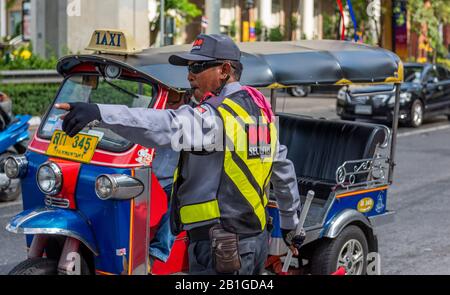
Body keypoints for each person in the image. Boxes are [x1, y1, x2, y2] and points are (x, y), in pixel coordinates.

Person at [56, 34, 303, 275]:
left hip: (221, 247)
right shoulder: (259, 110)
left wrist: (101, 112)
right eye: (189, 66)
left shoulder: (217, 117)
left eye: (198, 66)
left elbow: (165, 124)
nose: (189, 75)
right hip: (253, 240)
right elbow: (282, 168)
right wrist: (290, 223)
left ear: (225, 70)